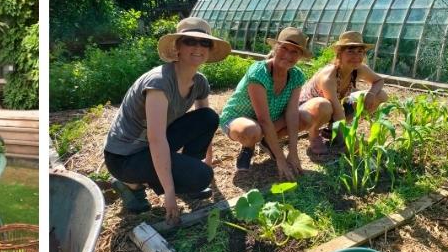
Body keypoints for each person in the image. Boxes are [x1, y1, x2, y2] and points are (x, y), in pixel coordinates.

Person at [103, 17, 231, 225]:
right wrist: (170, 194)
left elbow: (204, 121)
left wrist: (207, 158)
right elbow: (156, 139)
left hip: (150, 147)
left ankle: (182, 179)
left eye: (204, 42)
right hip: (125, 156)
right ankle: (130, 183)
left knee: (208, 117)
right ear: (178, 46)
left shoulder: (199, 82)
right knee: (201, 176)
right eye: (190, 41)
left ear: (209, 49)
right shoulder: (159, 83)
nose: (198, 47)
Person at [220, 27, 312, 180]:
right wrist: (281, 159)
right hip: (239, 120)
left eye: (294, 51)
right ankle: (248, 147)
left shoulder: (296, 76)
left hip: (268, 122)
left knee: (303, 117)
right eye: (284, 48)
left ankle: (267, 140)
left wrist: (293, 152)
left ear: (300, 56)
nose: (288, 55)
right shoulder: (259, 72)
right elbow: (263, 119)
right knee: (251, 131)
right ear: (276, 48)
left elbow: (291, 113)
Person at [299, 31, 388, 154]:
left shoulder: (359, 69)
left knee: (381, 95)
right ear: (339, 53)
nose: (356, 56)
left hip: (336, 107)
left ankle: (332, 130)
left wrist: (371, 94)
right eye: (350, 51)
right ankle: (313, 134)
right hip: (308, 110)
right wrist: (350, 139)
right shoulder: (329, 76)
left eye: (360, 51)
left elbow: (379, 80)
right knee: (324, 105)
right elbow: (337, 110)